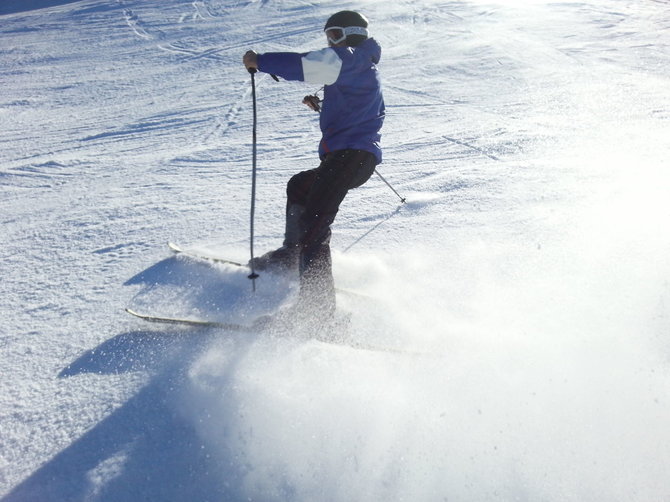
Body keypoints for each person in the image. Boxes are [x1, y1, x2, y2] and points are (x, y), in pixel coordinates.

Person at [242, 10, 385, 323]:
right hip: (348, 158)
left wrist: (260, 60)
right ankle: (292, 256)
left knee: (315, 224)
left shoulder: (350, 58)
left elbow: (306, 65)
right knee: (300, 186)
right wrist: (320, 105)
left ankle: (317, 312)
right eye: (329, 37)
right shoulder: (359, 65)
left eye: (334, 35)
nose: (330, 42)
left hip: (350, 157)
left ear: (350, 33)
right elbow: (359, 108)